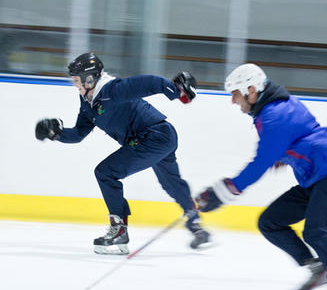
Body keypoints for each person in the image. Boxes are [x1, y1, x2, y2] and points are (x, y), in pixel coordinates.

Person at [194, 63, 327, 290]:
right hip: (314, 179)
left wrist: (222, 193)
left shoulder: (274, 115)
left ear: (251, 90)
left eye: (235, 94)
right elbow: (302, 133)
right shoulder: (274, 109)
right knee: (270, 221)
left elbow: (260, 163)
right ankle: (317, 268)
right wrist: (285, 153)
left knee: (317, 232)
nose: (233, 101)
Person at [35, 52, 212, 255]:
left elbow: (148, 83)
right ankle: (196, 226)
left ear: (90, 78)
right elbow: (78, 134)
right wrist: (55, 133)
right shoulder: (87, 103)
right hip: (159, 137)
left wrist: (175, 91)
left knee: (106, 173)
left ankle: (119, 230)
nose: (75, 85)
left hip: (154, 136)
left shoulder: (112, 90)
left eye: (77, 80)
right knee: (171, 183)